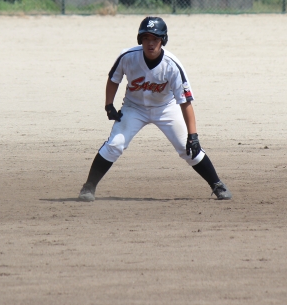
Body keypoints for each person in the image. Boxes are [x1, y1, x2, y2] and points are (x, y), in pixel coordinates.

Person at [78, 16, 232, 202]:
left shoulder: (172, 65)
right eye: (146, 38)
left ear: (163, 40)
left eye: (155, 39)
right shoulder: (128, 56)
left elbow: (185, 102)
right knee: (115, 144)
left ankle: (217, 184)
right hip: (134, 107)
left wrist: (193, 135)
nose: (150, 43)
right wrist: (109, 104)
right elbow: (113, 79)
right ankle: (89, 186)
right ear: (140, 40)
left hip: (165, 108)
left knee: (188, 148)